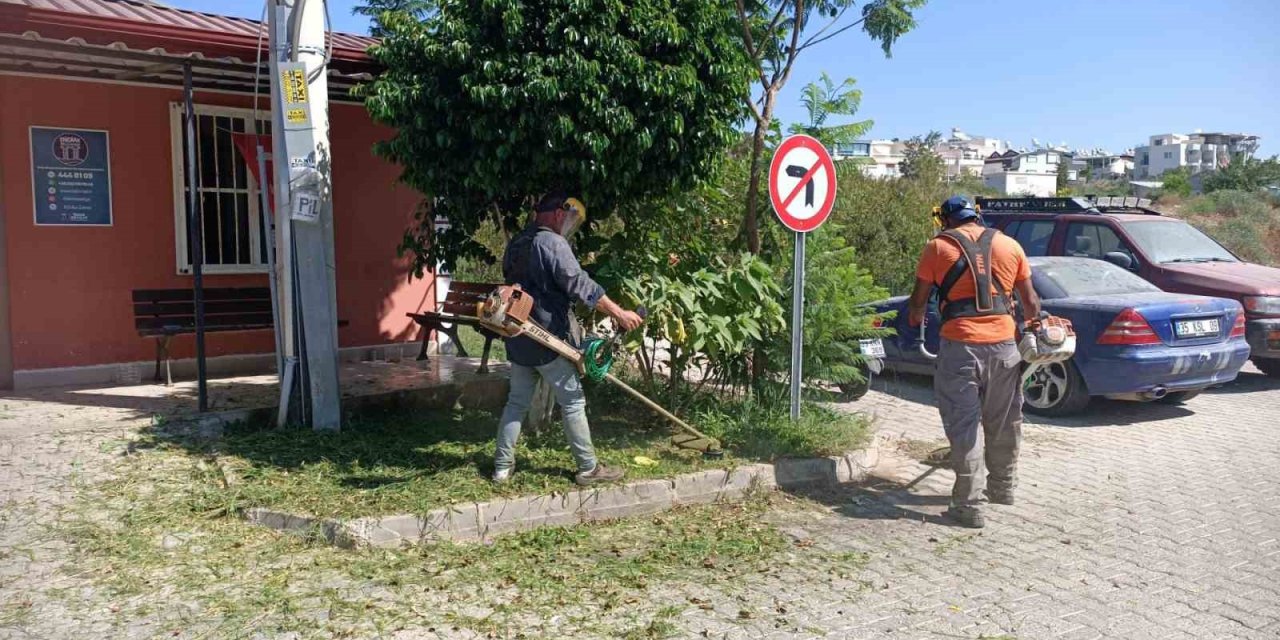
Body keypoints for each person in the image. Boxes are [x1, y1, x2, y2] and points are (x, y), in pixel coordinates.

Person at [492, 192, 644, 485]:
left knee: (516, 403)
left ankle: (501, 468)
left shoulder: (518, 242)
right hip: (548, 339)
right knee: (573, 401)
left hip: (518, 334)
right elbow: (579, 284)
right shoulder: (552, 243)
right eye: (570, 218)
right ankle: (588, 469)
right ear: (560, 214)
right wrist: (618, 313)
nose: (569, 225)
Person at [907, 195, 1041, 528]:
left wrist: (917, 319)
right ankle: (1003, 488)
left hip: (960, 347)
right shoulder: (1011, 246)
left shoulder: (936, 248)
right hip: (1005, 348)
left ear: (946, 219)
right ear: (976, 217)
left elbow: (918, 302)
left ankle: (968, 506)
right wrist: (1031, 329)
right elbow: (1031, 301)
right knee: (1005, 420)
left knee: (964, 425)